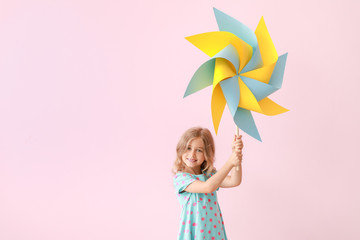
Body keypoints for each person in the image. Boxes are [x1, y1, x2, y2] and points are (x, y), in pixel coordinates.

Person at [172, 127, 243, 240]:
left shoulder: (209, 175)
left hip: (213, 231)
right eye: (188, 148)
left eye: (199, 150)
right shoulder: (181, 179)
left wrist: (236, 156)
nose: (192, 154)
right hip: (195, 234)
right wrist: (230, 162)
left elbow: (234, 181)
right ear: (180, 149)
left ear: (206, 154)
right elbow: (208, 187)